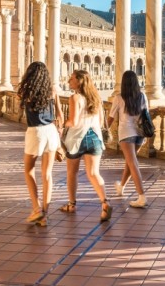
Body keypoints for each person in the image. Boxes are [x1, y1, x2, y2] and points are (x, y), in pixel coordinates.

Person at [58, 70, 111, 223]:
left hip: (76, 139)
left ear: (80, 81)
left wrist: (61, 124)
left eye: (72, 78)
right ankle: (105, 203)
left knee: (72, 173)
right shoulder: (96, 98)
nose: (69, 81)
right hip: (94, 138)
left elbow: (73, 122)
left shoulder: (75, 97)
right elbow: (101, 122)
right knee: (94, 173)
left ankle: (72, 204)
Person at [18, 61, 62, 226]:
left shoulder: (26, 92)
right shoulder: (53, 91)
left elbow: (19, 100)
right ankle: (44, 213)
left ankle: (36, 208)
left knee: (29, 171)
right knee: (47, 174)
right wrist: (59, 136)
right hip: (51, 131)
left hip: (35, 132)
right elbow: (60, 117)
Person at [108, 70, 149, 208]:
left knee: (133, 163)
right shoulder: (142, 96)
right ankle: (121, 187)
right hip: (140, 133)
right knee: (130, 162)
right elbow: (146, 115)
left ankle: (141, 196)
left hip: (126, 133)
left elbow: (111, 117)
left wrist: (104, 130)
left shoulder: (119, 98)